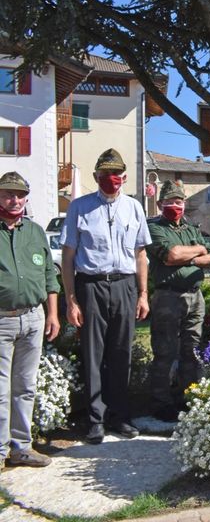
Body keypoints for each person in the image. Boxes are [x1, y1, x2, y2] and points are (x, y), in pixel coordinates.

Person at [61, 148, 151, 444]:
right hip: (91, 286)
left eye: (116, 175)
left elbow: (140, 254)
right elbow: (69, 256)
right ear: (95, 177)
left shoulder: (134, 208)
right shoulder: (79, 207)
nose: (110, 180)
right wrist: (71, 300)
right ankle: (95, 420)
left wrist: (143, 294)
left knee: (122, 352)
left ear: (124, 177)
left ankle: (120, 416)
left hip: (124, 285)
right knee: (93, 354)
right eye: (104, 176)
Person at [0, 172, 60, 468]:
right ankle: (0, 451)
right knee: (0, 389)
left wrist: (52, 314)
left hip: (33, 319)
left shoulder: (35, 232)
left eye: (20, 195)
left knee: (25, 385)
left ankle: (21, 447)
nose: (14, 200)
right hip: (2, 321)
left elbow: (50, 274)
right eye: (8, 194)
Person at [146, 180, 210, 421]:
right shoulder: (154, 228)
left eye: (178, 202)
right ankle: (160, 402)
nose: (174, 206)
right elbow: (171, 254)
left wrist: (191, 257)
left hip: (195, 296)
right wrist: (198, 251)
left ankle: (188, 397)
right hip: (168, 296)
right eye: (169, 202)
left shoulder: (191, 229)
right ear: (159, 204)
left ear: (184, 204)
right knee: (165, 351)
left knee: (192, 350)